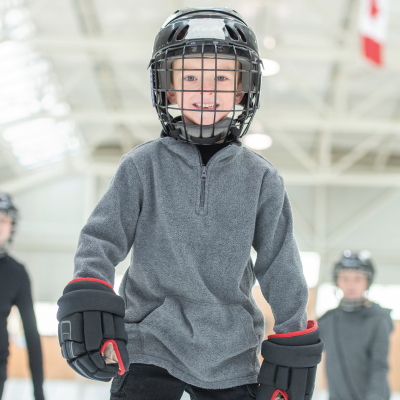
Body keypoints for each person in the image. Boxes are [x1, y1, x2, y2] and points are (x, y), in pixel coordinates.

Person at [56, 8, 324, 400]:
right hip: (150, 342)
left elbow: (280, 264)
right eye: (191, 77)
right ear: (169, 88)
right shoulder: (141, 166)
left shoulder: (261, 179)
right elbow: (100, 238)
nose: (205, 92)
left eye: (220, 78)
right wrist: (90, 286)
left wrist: (292, 332)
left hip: (232, 353)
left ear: (242, 90)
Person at [318, 250, 393, 400]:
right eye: (345, 278)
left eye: (358, 279)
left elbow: (379, 366)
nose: (351, 284)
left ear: (367, 283)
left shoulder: (378, 320)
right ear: (337, 281)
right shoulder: (327, 321)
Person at [0, 193, 45, 400]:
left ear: (11, 226)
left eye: (3, 220)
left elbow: (31, 334)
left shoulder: (17, 273)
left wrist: (39, 391)